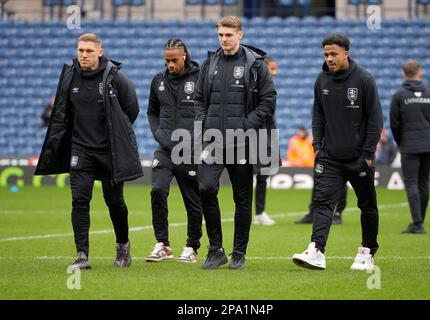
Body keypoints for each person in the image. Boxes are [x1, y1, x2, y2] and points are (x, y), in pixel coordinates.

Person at [34, 33, 142, 270]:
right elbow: (62, 113)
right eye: (80, 50)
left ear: (100, 52)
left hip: (109, 151)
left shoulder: (115, 78)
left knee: (114, 202)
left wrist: (114, 134)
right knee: (79, 200)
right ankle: (82, 255)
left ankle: (123, 247)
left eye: (89, 51)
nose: (83, 55)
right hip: (80, 150)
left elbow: (131, 110)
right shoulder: (69, 77)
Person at [292, 34, 383, 271]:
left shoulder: (364, 80)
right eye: (326, 54)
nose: (329, 59)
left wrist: (367, 154)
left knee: (367, 205)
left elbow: (375, 119)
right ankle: (317, 250)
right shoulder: (321, 80)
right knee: (322, 204)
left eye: (333, 54)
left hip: (358, 158)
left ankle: (367, 251)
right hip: (329, 157)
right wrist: (317, 147)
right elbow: (318, 115)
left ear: (346, 53)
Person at [195, 16, 277, 269]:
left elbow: (268, 99)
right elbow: (198, 99)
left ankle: (239, 253)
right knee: (206, 189)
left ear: (240, 35)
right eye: (220, 35)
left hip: (243, 142)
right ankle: (215, 250)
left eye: (228, 35)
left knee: (242, 199)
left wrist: (246, 125)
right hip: (214, 141)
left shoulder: (255, 65)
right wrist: (205, 122)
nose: (224, 39)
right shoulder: (210, 63)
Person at [145, 38, 203, 263]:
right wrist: (158, 134)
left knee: (192, 199)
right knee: (157, 190)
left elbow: (206, 110)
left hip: (190, 150)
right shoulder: (158, 81)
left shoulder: (199, 79)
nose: (170, 64)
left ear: (184, 56)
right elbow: (152, 111)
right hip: (165, 148)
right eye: (167, 60)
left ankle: (192, 246)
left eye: (174, 60)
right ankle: (163, 244)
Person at [390, 60, 430, 234]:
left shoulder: (399, 95)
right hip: (427, 144)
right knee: (423, 182)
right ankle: (420, 221)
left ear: (404, 74)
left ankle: (417, 223)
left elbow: (394, 124)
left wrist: (401, 141)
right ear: (419, 73)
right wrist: (429, 135)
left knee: (411, 182)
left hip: (409, 144)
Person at [253, 56, 277, 226]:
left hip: (267, 135)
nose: (275, 72)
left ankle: (260, 213)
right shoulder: (255, 88)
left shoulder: (270, 87)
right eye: (272, 68)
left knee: (264, 174)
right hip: (253, 135)